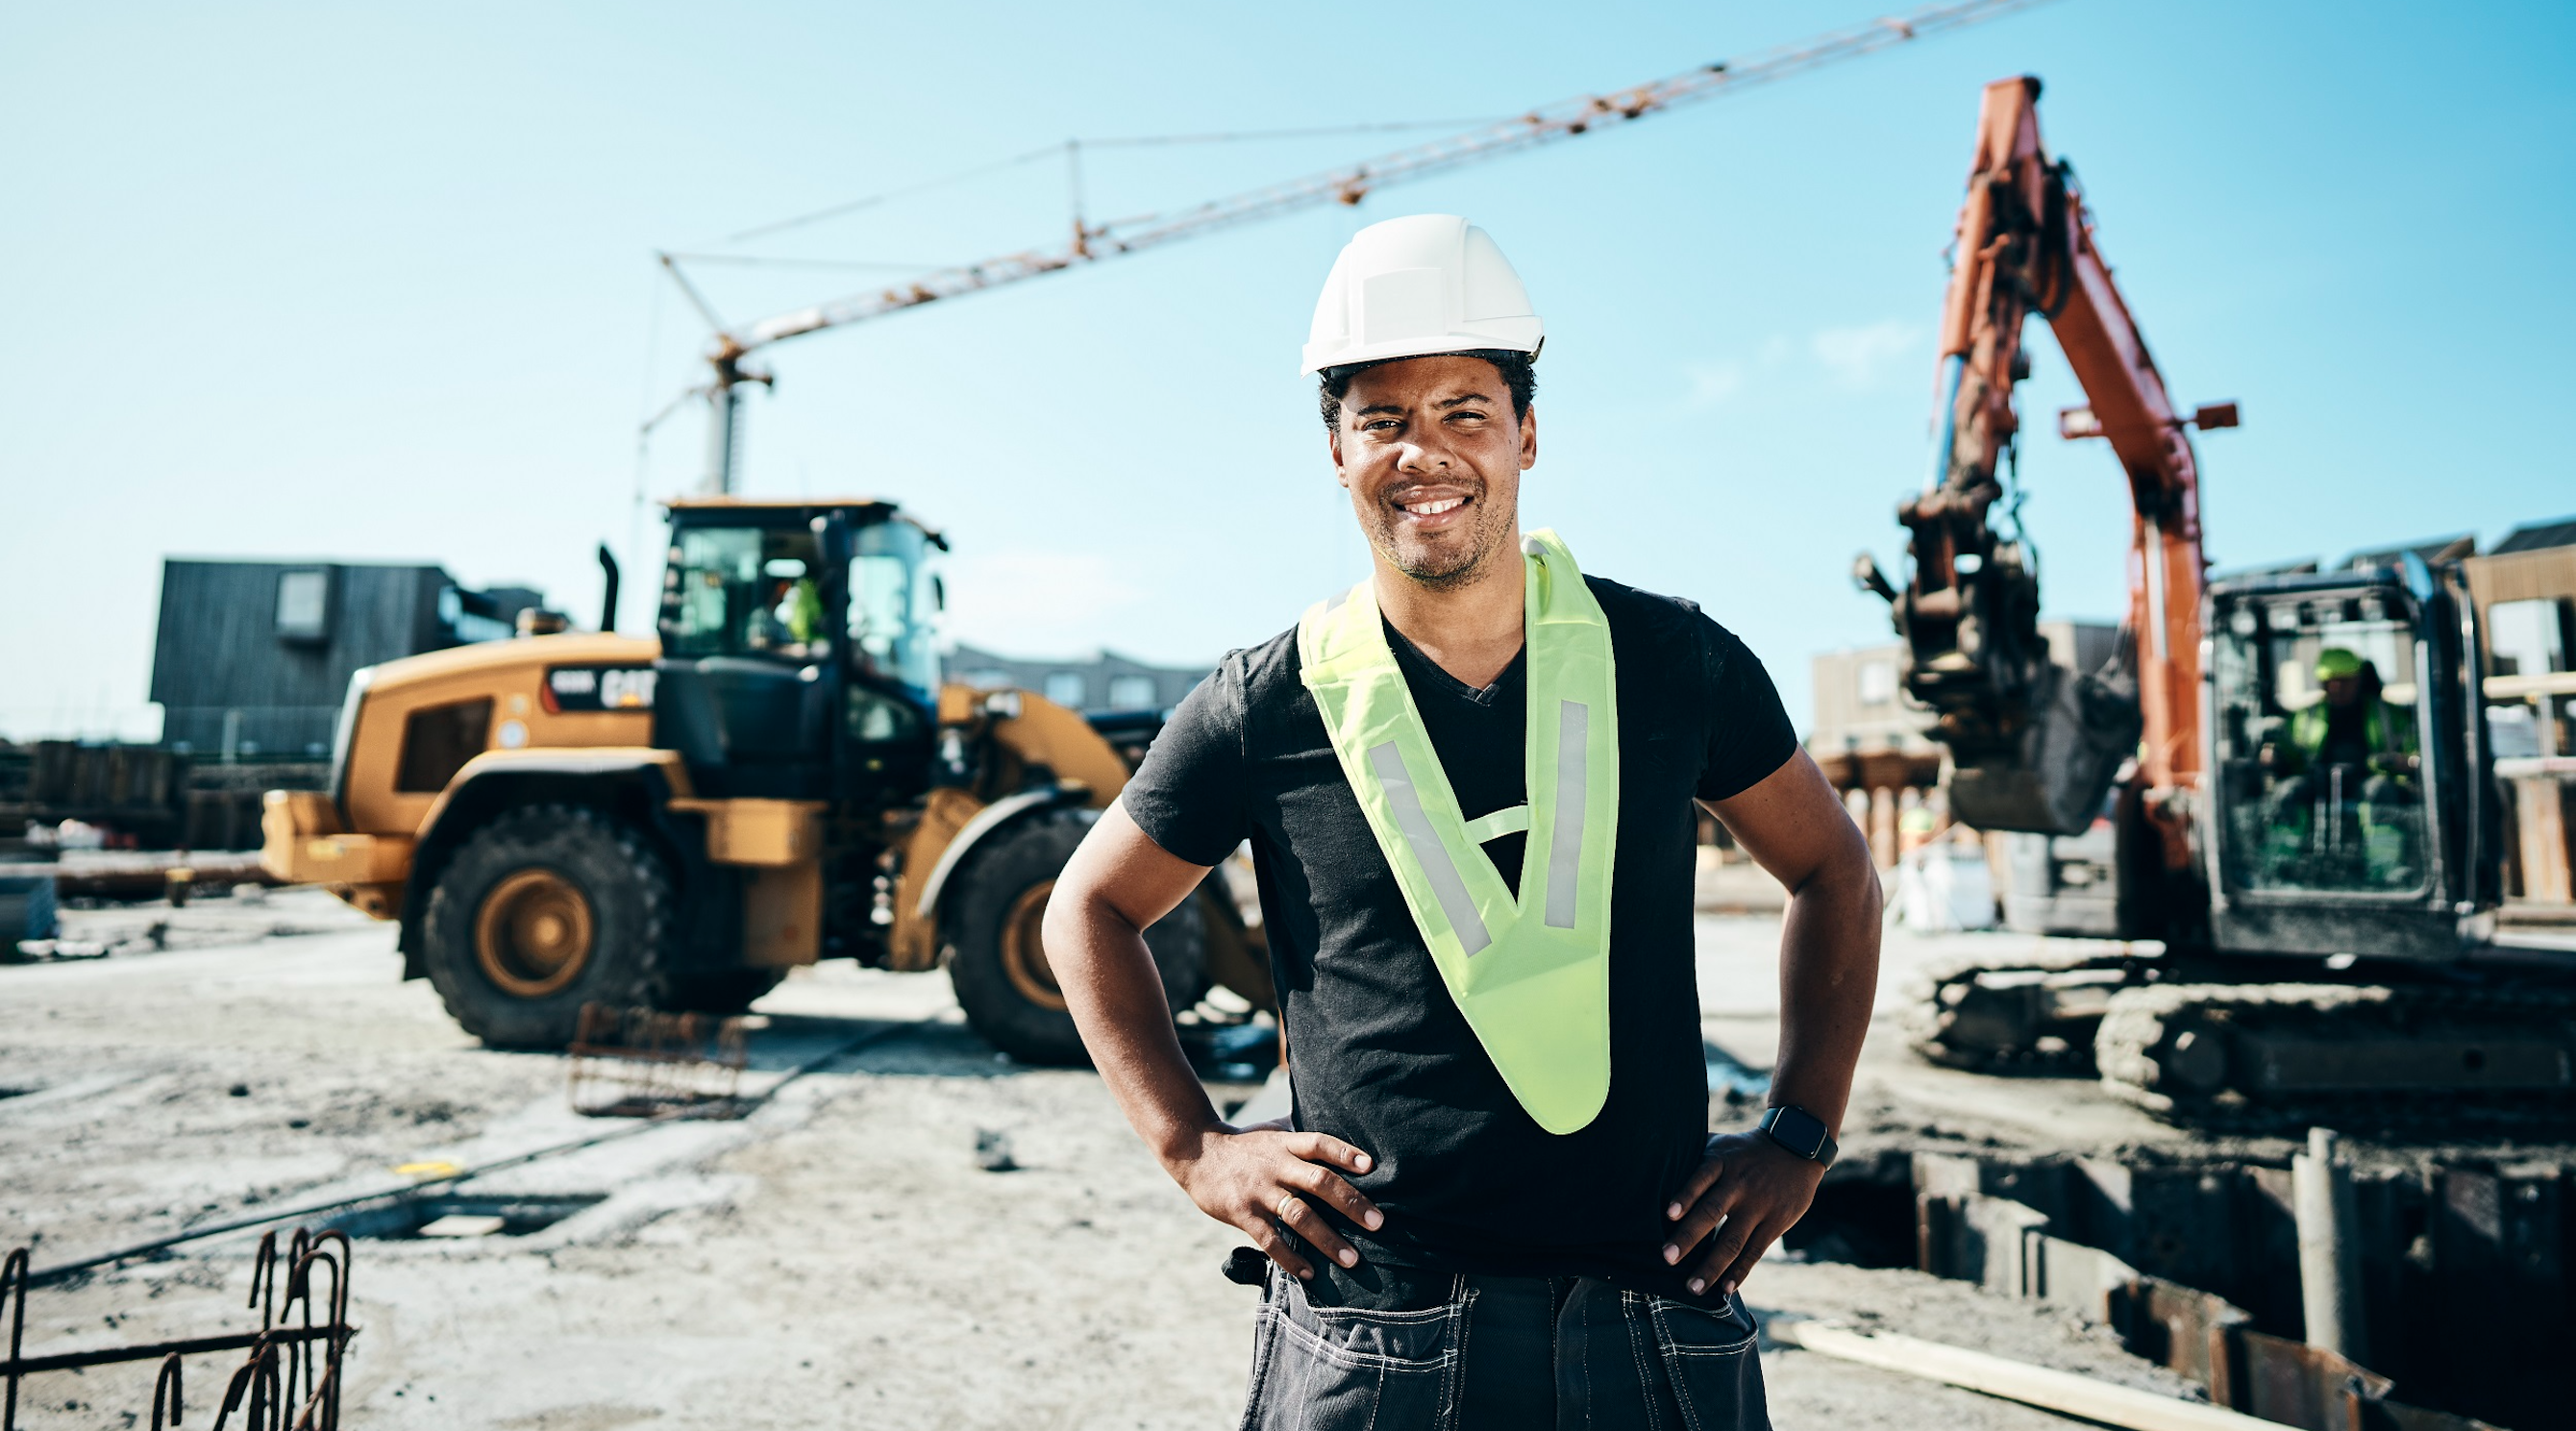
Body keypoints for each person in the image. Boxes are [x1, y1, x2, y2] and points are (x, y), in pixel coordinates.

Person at [1042, 215, 1882, 1429]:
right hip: (1378, 1328)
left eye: (1462, 412)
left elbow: (1832, 868)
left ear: (1527, 433)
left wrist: (1799, 1130)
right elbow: (1091, 907)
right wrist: (1195, 1148)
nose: (1423, 453)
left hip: (1655, 1315)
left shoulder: (1675, 662)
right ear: (1335, 450)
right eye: (1382, 419)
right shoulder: (1261, 702)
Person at [2262, 646, 2420, 884]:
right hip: (2318, 782)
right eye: (2329, 681)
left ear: (2358, 679)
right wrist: (2274, 755)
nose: (2336, 688)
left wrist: (2405, 762)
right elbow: (2289, 752)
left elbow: (2413, 751)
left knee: (2381, 791)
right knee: (2288, 792)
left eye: (2344, 681)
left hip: (2367, 781)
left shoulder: (2387, 714)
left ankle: (2384, 868)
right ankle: (2280, 867)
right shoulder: (2306, 717)